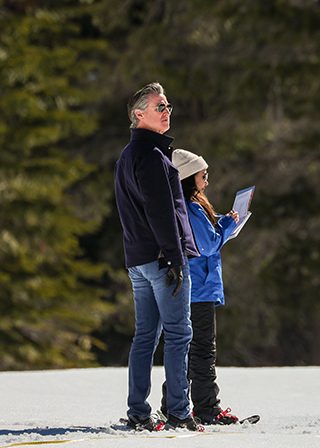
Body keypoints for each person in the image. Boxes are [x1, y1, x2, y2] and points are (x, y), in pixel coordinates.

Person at [114, 82, 202, 431]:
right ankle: (179, 411)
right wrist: (174, 256)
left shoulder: (127, 155)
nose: (167, 112)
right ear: (139, 115)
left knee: (145, 337)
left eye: (168, 106)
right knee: (179, 335)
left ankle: (138, 411)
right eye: (159, 107)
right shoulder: (151, 156)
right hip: (162, 260)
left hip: (139, 260)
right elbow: (160, 211)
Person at [161, 148, 241, 425]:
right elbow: (206, 244)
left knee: (183, 349)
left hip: (188, 287)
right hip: (200, 288)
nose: (207, 181)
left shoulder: (180, 204)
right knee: (203, 350)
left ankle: (170, 403)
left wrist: (220, 224)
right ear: (188, 177)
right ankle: (207, 407)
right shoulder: (192, 207)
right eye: (203, 176)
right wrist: (228, 226)